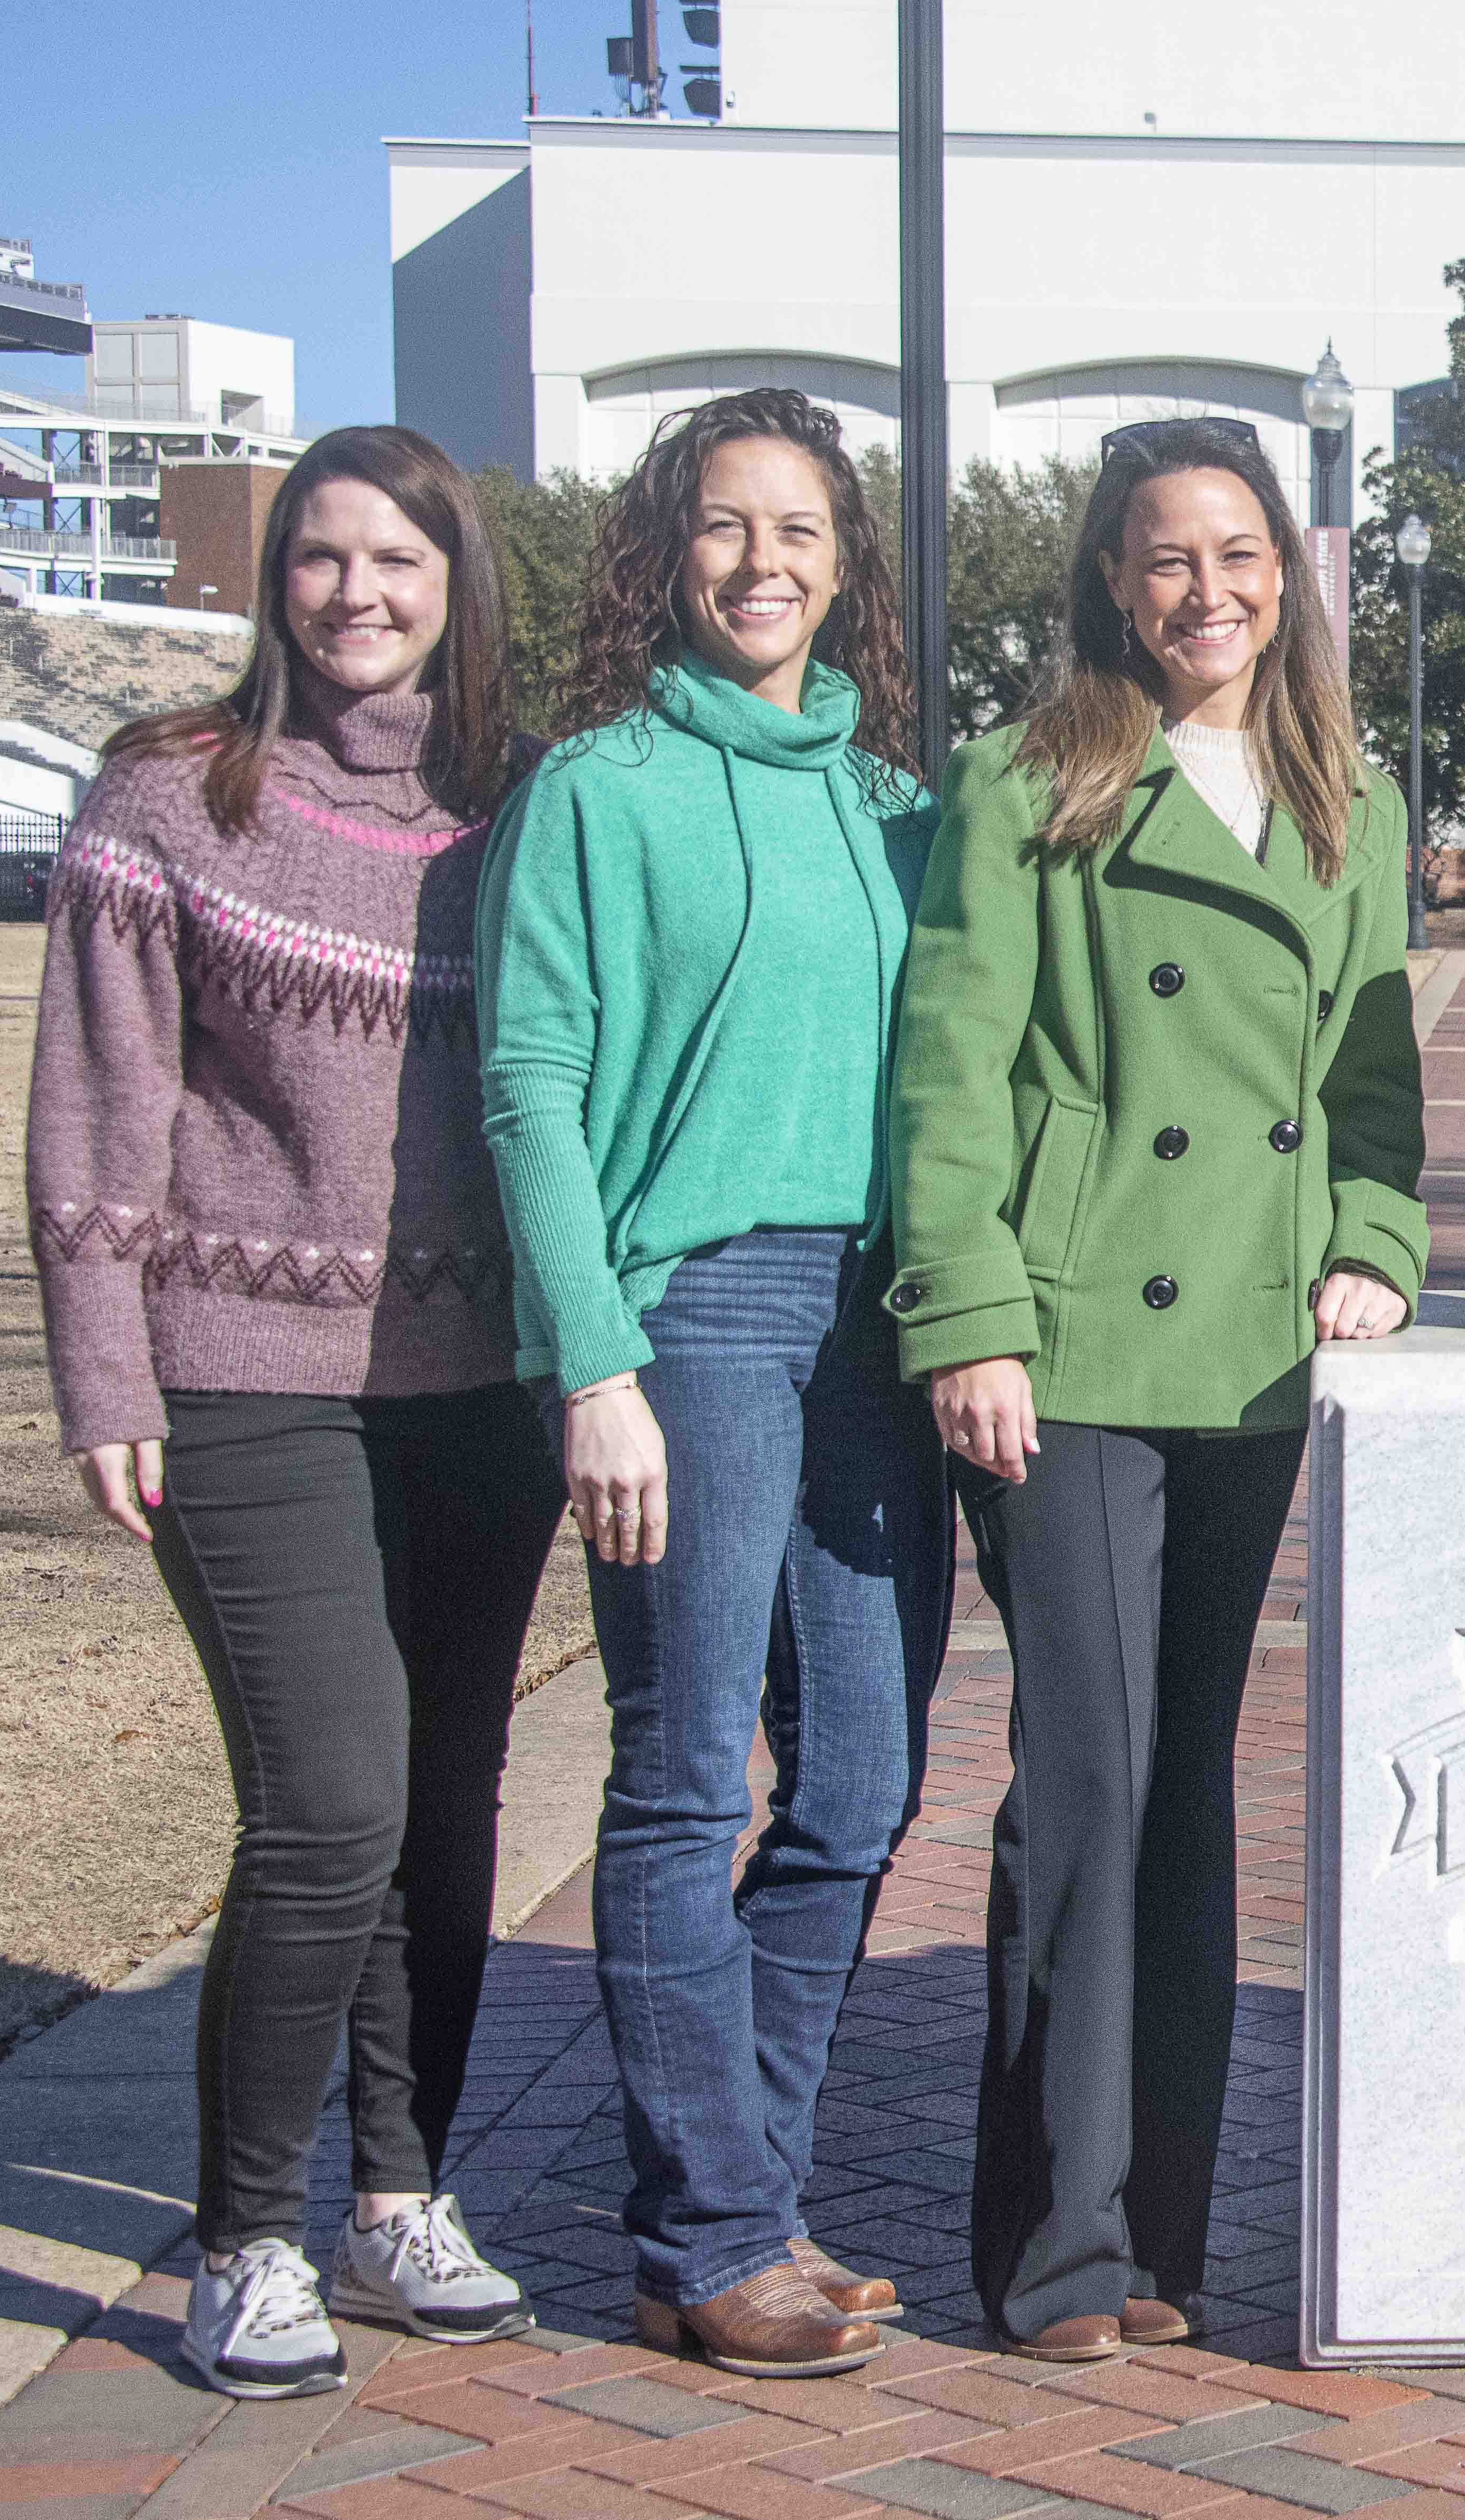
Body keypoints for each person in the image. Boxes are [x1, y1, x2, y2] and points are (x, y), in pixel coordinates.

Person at [26, 426, 563, 2399]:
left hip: (473, 1387)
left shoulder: (516, 809)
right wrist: (102, 1361)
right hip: (243, 1376)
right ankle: (245, 2231)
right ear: (278, 585)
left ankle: (396, 2193)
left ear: (453, 583)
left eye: (397, 560)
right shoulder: (169, 794)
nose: (357, 593)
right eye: (322, 559)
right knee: (330, 1799)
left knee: (447, 1807)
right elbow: (102, 1098)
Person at [885, 418, 1424, 2361]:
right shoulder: (1030, 778)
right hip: (1075, 1341)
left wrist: (1378, 1234)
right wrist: (966, 1316)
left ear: (1291, 574)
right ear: (1113, 581)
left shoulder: (1342, 793)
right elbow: (951, 1065)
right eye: (1167, 557)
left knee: (1188, 1786)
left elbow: (1377, 1079)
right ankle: (1057, 2241)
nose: (1210, 591)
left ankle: (1168, 2230)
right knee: (1091, 1778)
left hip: (1263, 1352)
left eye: (1242, 554)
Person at [476, 387, 948, 2379]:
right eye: (726, 527)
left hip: (873, 1326)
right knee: (681, 1777)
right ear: (669, 549)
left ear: (847, 572)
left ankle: (739, 2190)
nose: (765, 564)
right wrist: (595, 1363)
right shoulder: (597, 787)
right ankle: (715, 2225)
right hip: (693, 1321)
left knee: (859, 1775)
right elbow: (533, 1082)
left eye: (804, 534)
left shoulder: (892, 801)